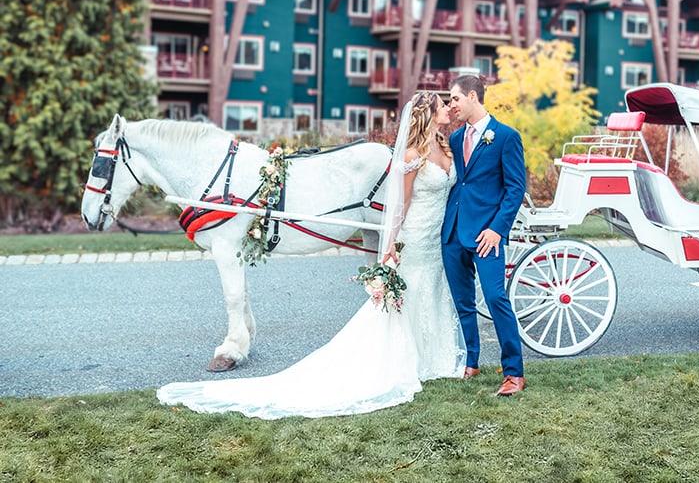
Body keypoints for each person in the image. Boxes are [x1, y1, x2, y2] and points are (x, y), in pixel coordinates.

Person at [157, 91, 465, 419]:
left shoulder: (447, 144)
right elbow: (399, 206)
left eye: (451, 103)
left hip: (436, 236)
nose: (449, 108)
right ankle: (402, 359)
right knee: (410, 293)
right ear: (428, 112)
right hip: (416, 235)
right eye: (443, 105)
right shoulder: (414, 152)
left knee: (430, 293)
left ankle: (435, 358)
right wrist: (390, 244)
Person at [442, 75, 528, 397]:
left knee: (495, 298)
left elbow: (515, 188)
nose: (451, 106)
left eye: (455, 99)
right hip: (452, 231)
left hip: (487, 234)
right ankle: (472, 362)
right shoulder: (454, 139)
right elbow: (460, 184)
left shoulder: (506, 137)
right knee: (463, 302)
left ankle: (513, 373)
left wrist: (497, 229)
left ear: (473, 96)